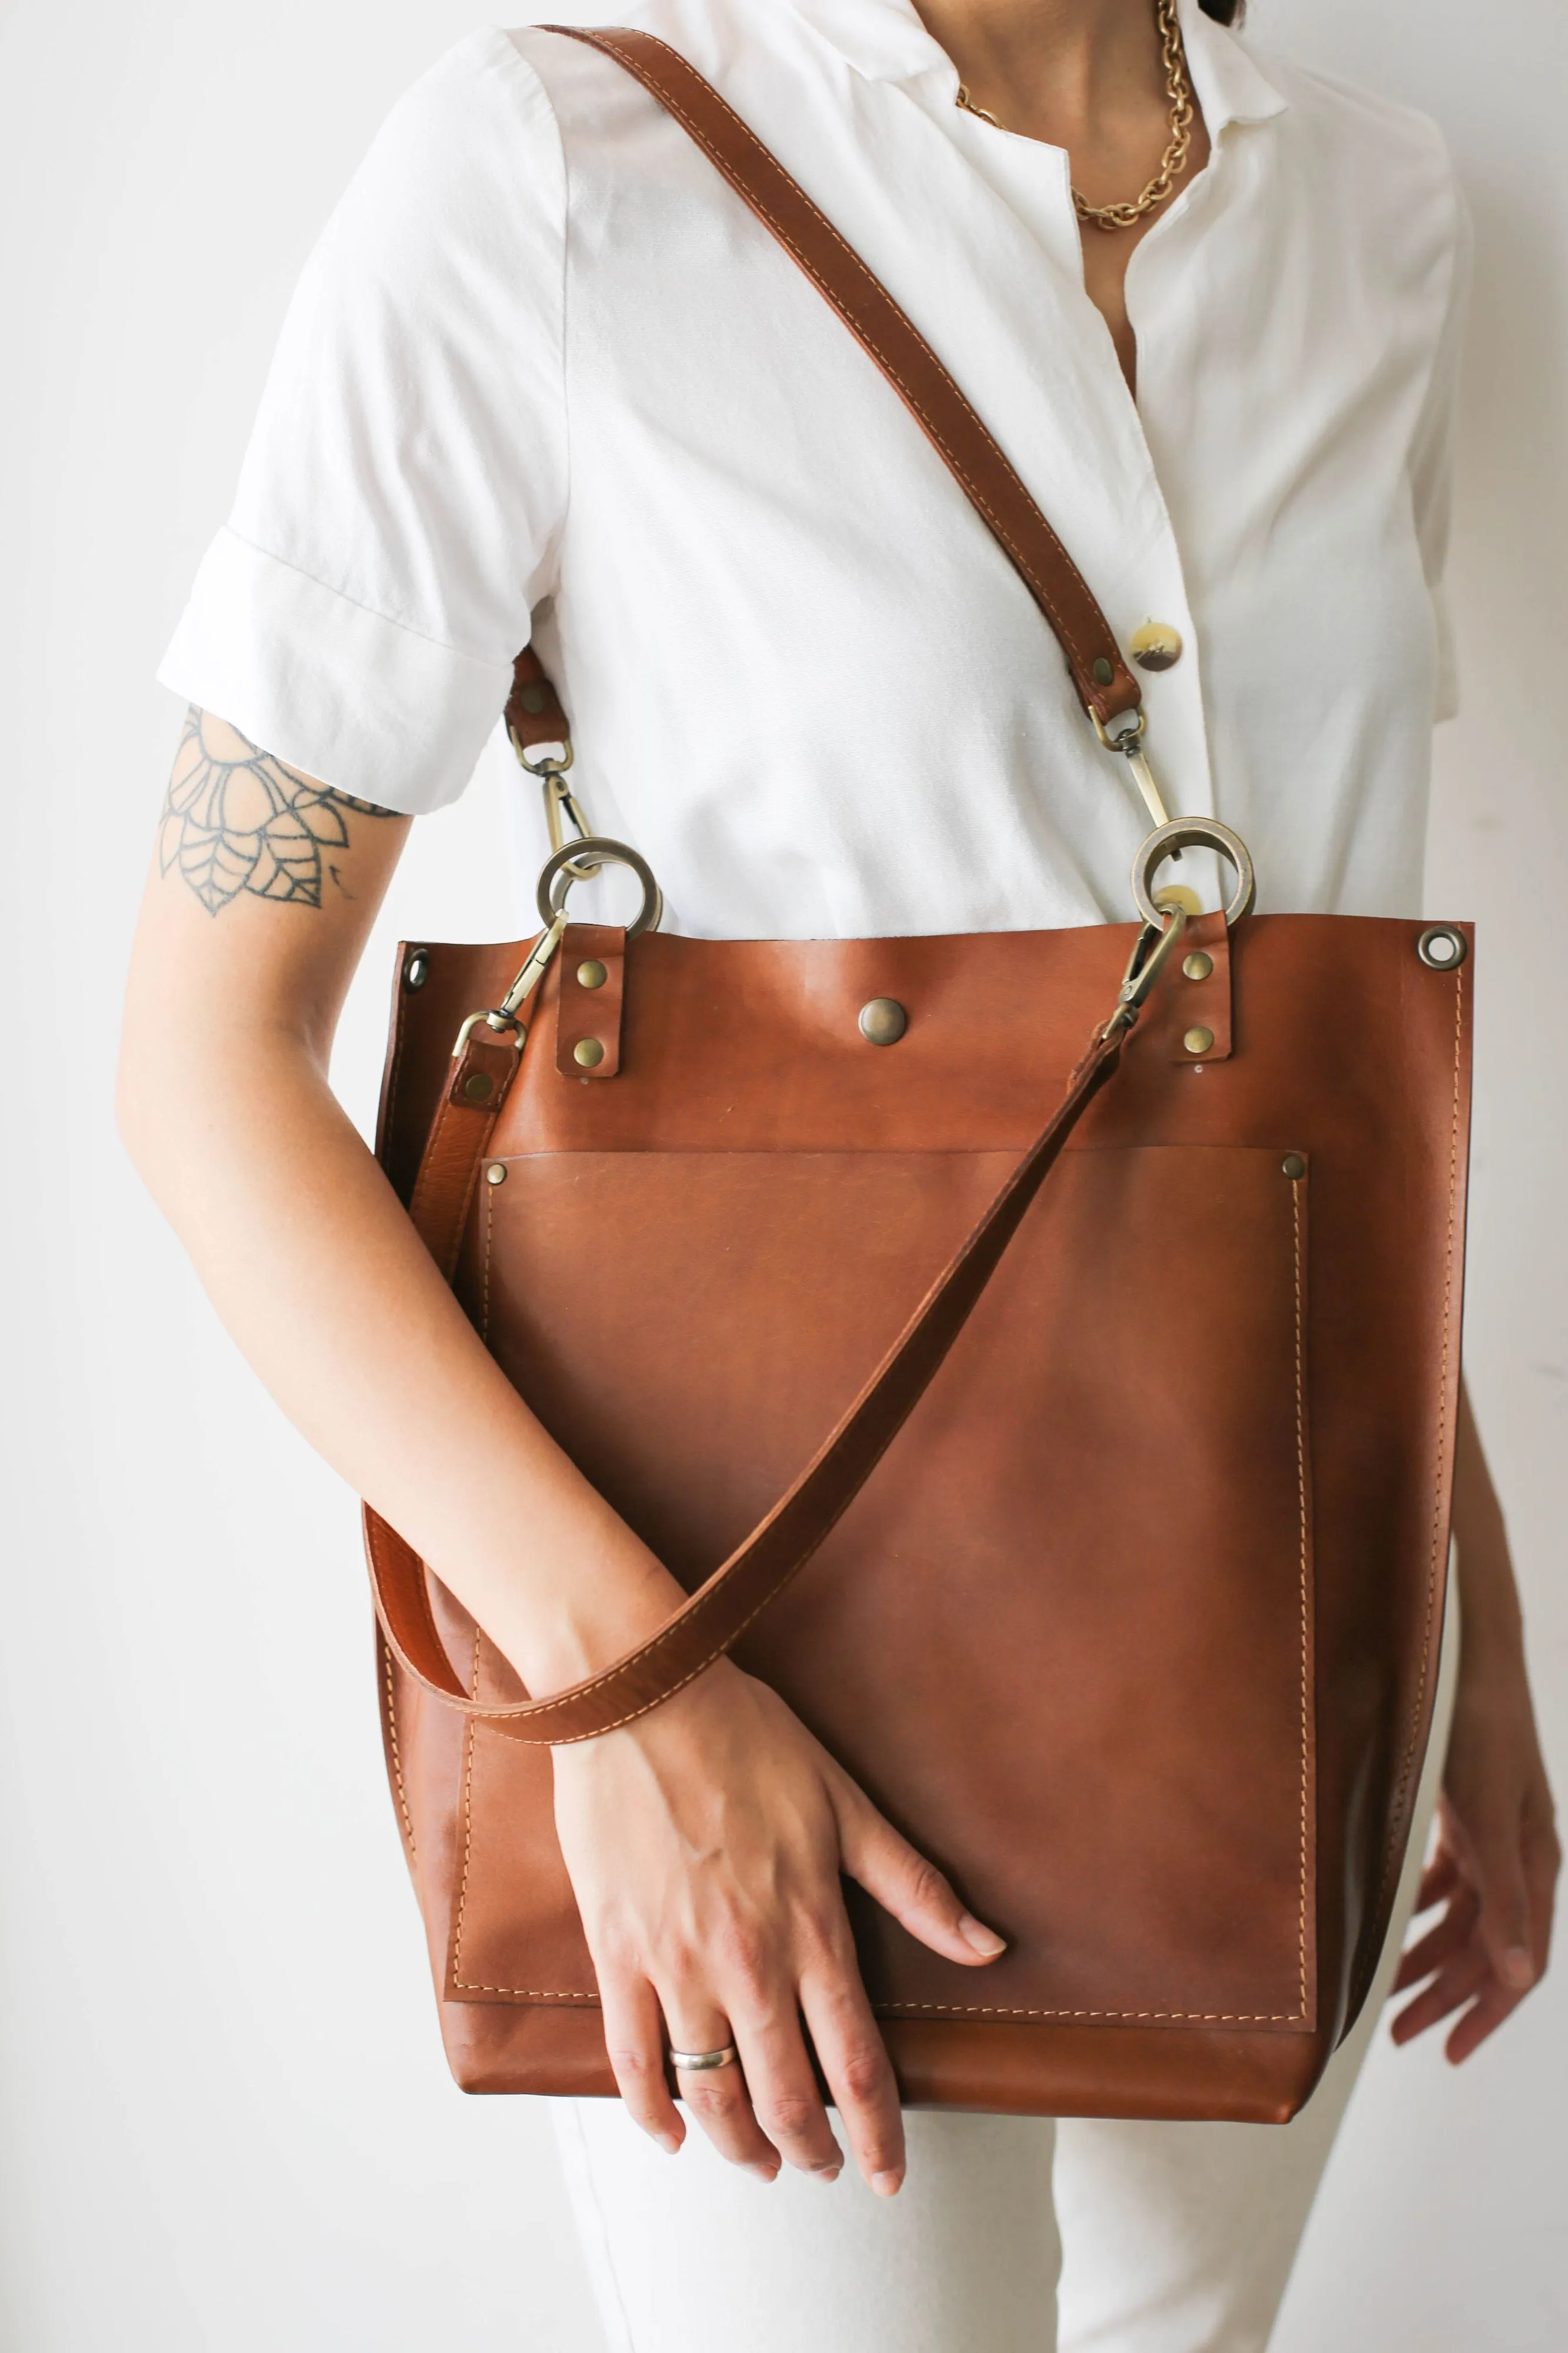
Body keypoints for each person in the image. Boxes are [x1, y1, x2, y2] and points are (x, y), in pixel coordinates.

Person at [118, 0, 1557, 2345]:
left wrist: (1464, 1613)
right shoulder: (550, 165)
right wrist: (627, 1700)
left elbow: (1292, 1062)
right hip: (744, 1703)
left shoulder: (1375, 213)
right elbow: (202, 1062)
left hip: (1278, 1661)